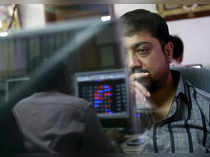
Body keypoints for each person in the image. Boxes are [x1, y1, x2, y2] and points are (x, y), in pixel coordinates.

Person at [120, 9, 210, 153]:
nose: (131, 63)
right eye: (122, 53)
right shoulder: (111, 114)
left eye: (142, 50)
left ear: (168, 52)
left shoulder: (205, 110)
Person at [12, 62, 120, 153]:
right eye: (69, 77)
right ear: (62, 79)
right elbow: (103, 151)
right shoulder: (81, 107)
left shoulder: (18, 108)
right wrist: (113, 140)